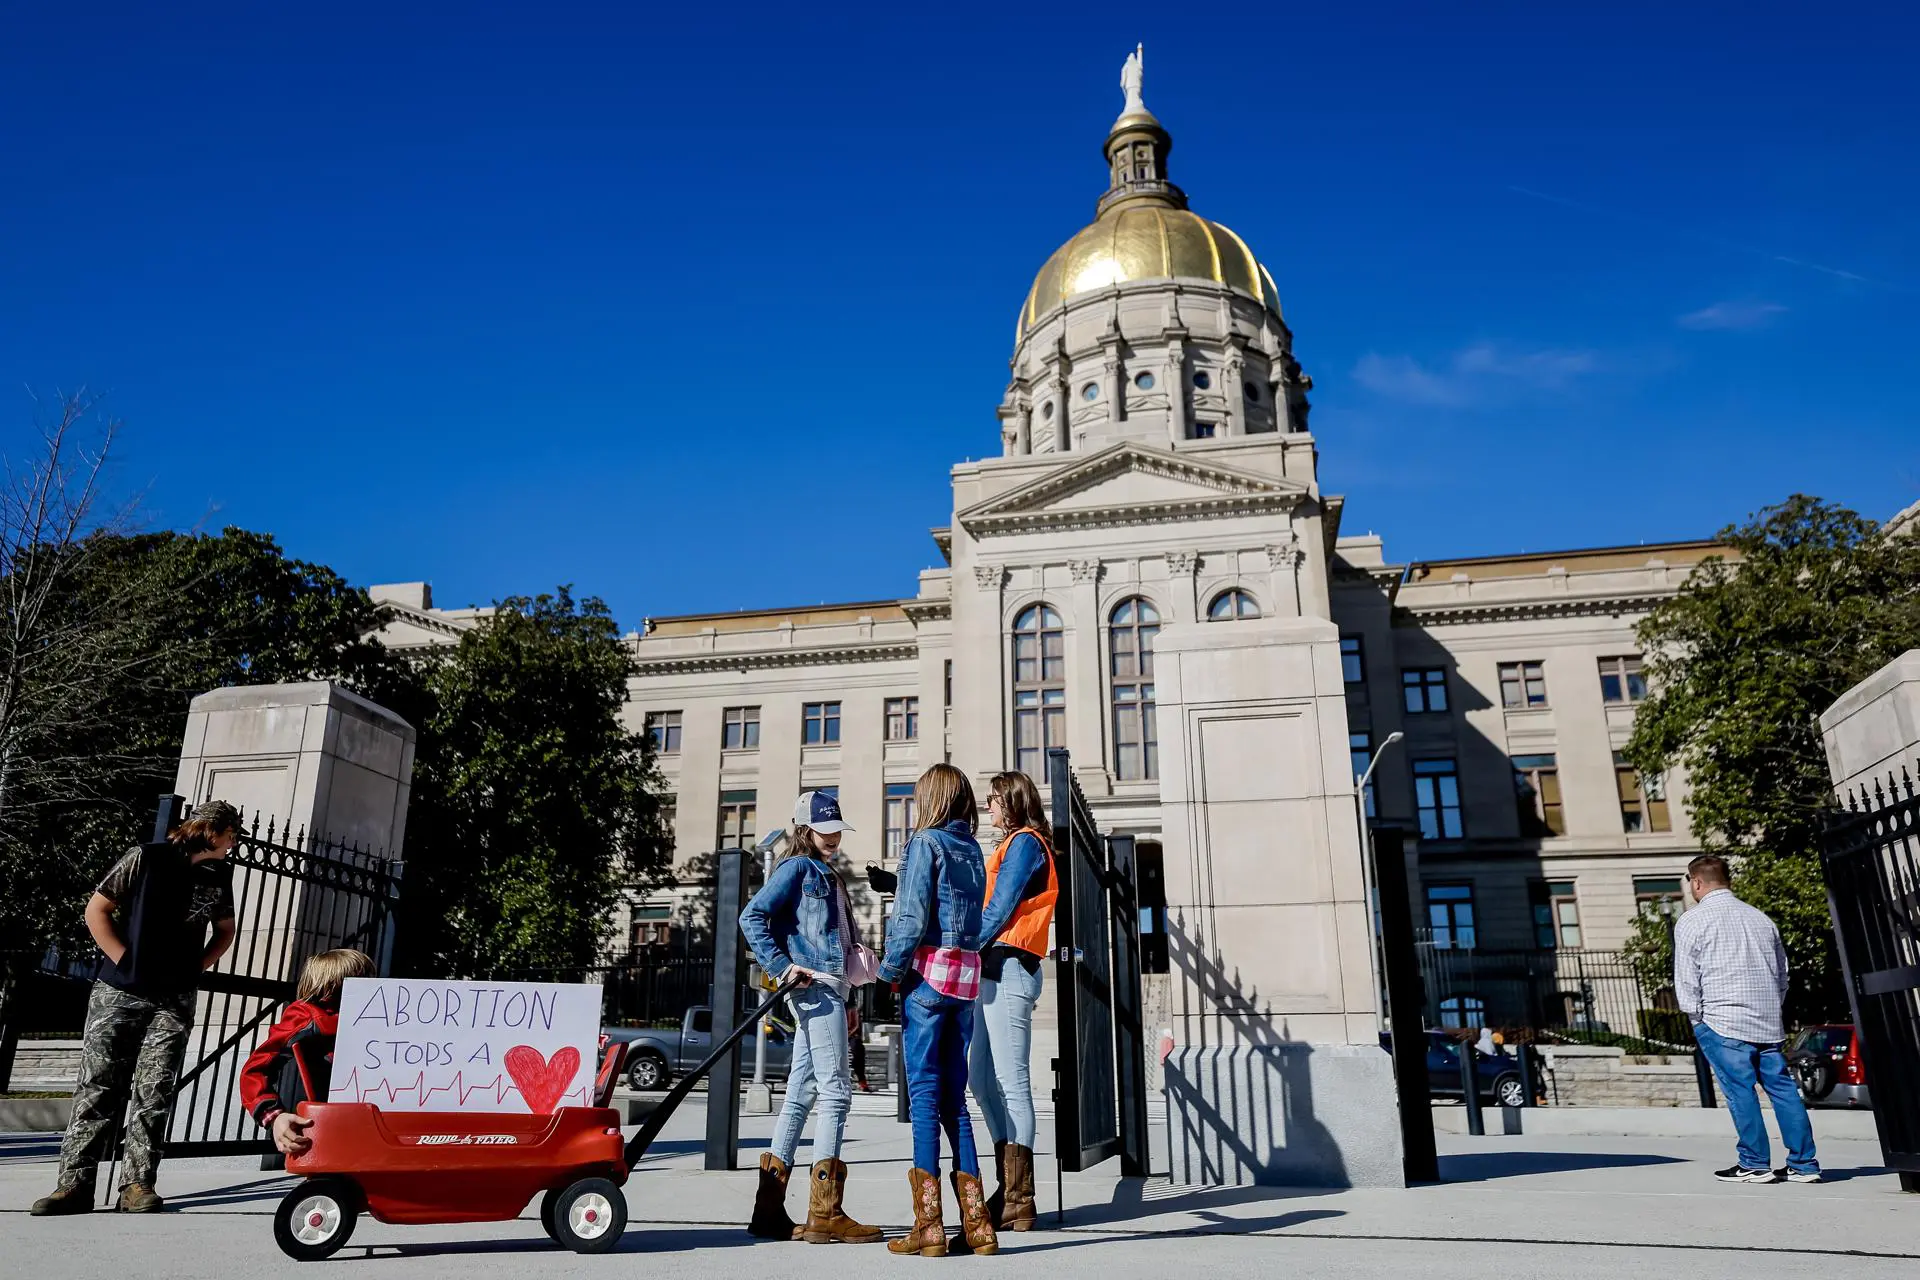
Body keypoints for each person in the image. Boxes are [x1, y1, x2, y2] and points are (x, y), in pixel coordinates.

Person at [31, 800, 242, 1216]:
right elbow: (97, 909)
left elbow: (225, 930)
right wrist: (123, 961)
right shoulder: (146, 857)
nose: (233, 842)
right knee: (97, 1085)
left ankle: (137, 1185)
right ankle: (73, 1185)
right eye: (232, 833)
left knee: (155, 1089)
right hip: (119, 991)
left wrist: (195, 967)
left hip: (173, 998)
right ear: (213, 831)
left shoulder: (218, 874)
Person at [737, 791, 882, 1245]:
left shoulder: (828, 873)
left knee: (800, 1094)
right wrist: (781, 968)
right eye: (826, 828)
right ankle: (826, 1213)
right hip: (812, 986)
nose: (834, 836)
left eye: (838, 828)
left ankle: (768, 1211)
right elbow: (752, 917)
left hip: (831, 989)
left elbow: (841, 940)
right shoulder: (797, 868)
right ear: (805, 829)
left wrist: (851, 998)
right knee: (837, 1092)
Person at [879, 763, 997, 1258]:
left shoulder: (923, 844)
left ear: (931, 799)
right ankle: (979, 1227)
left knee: (925, 1096)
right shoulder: (972, 848)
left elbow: (909, 918)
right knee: (956, 1099)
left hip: (927, 978)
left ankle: (928, 1228)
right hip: (964, 981)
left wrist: (889, 970)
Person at [1674, 853, 1822, 1185]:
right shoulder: (1760, 919)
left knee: (1740, 1091)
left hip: (1722, 1020)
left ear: (1696, 882)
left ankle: (1754, 1163)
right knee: (1783, 1090)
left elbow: (1686, 978)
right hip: (1767, 1022)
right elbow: (1783, 975)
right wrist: (1771, 1006)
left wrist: (1696, 1018)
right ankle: (1804, 1165)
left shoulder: (1692, 920)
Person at [970, 771, 1057, 1233]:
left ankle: (1019, 1197)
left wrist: (965, 946)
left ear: (1013, 801)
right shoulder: (1012, 845)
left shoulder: (1025, 843)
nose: (988, 808)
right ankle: (1010, 1183)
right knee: (980, 1078)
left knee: (1011, 1082)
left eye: (993, 800)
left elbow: (1001, 908)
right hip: (993, 970)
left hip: (1008, 968)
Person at [239, 948, 377, 1169]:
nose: (371, 989)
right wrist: (274, 1116)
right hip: (310, 1127)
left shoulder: (376, 1022)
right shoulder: (305, 1018)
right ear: (332, 987)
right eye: (361, 983)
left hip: (357, 1124)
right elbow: (255, 1069)